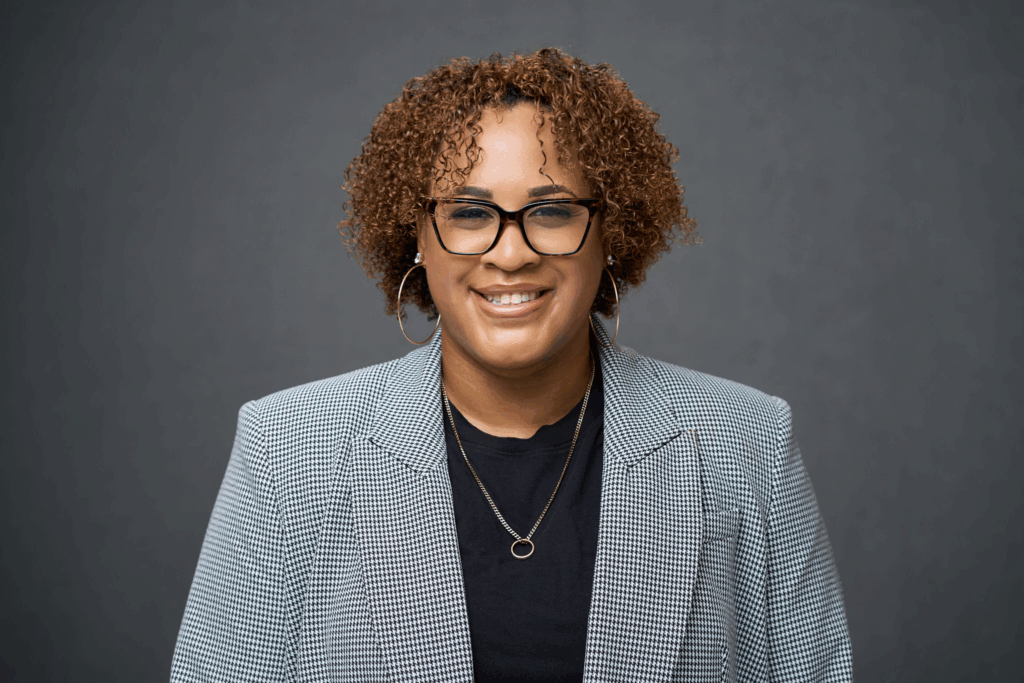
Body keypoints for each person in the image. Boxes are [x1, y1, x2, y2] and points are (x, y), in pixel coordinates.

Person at [171, 48, 853, 682]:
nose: (510, 253)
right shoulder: (286, 451)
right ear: (417, 238)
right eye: (469, 212)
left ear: (610, 234)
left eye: (551, 210)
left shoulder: (747, 443)